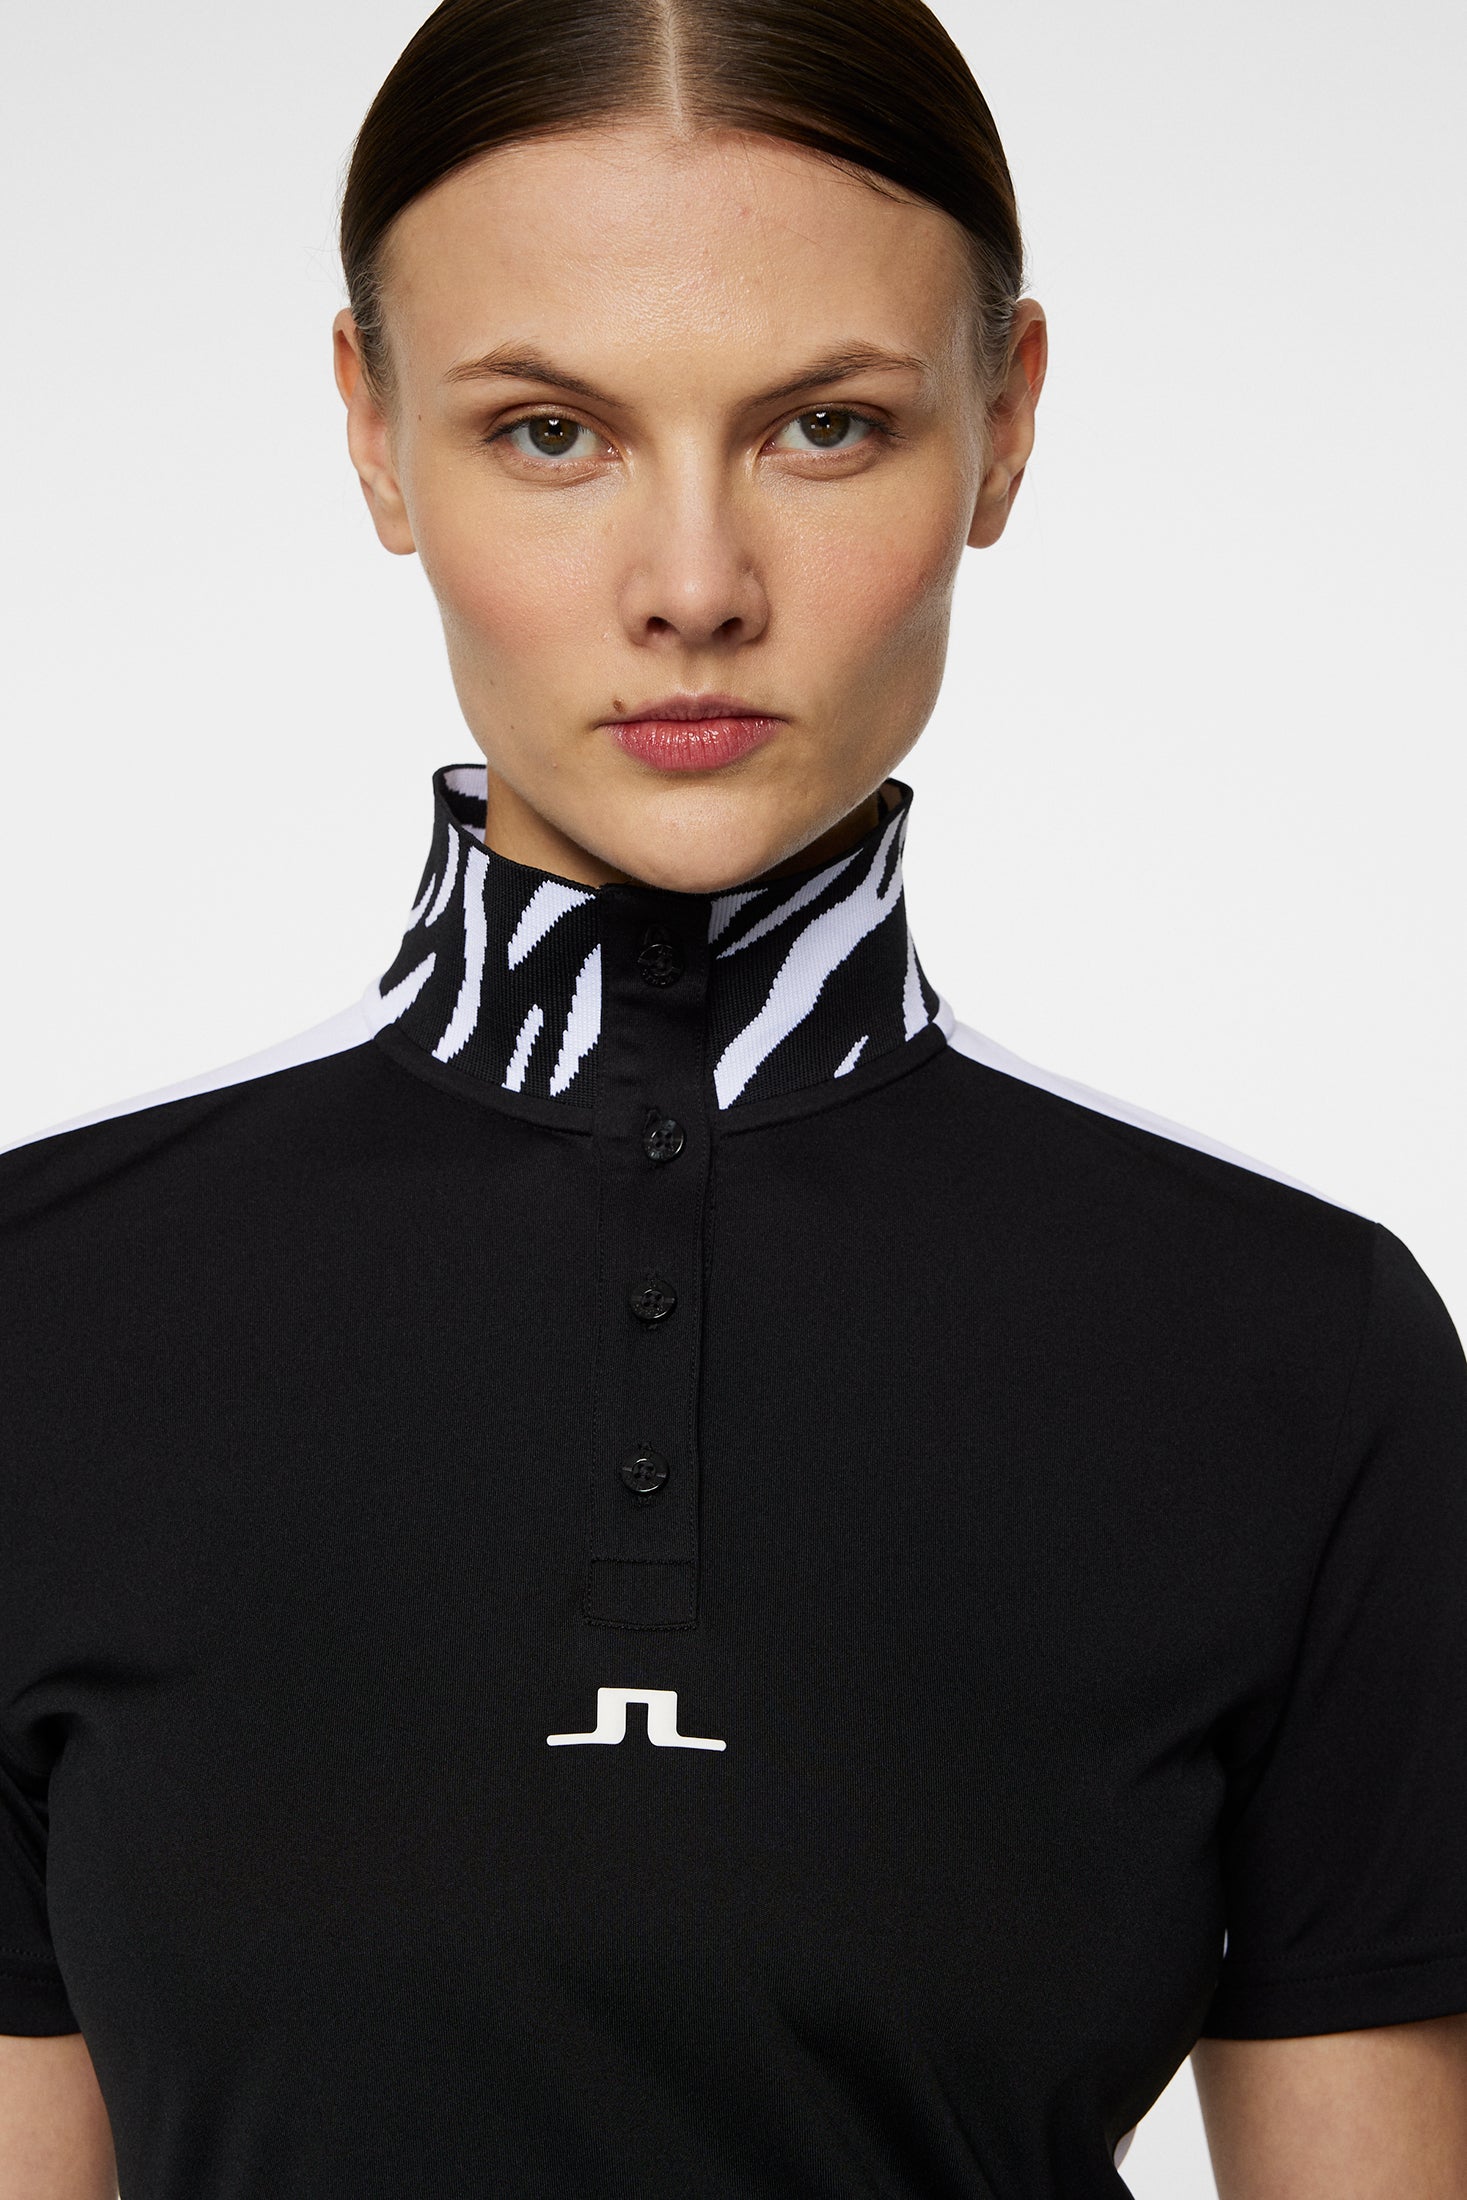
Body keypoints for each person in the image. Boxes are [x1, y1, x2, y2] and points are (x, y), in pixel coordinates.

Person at [2, 0, 1465, 2192]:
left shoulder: (1294, 1353)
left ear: (1005, 423)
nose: (693, 587)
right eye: (550, 433)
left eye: (824, 426)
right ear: (374, 434)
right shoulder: (41, 1319)